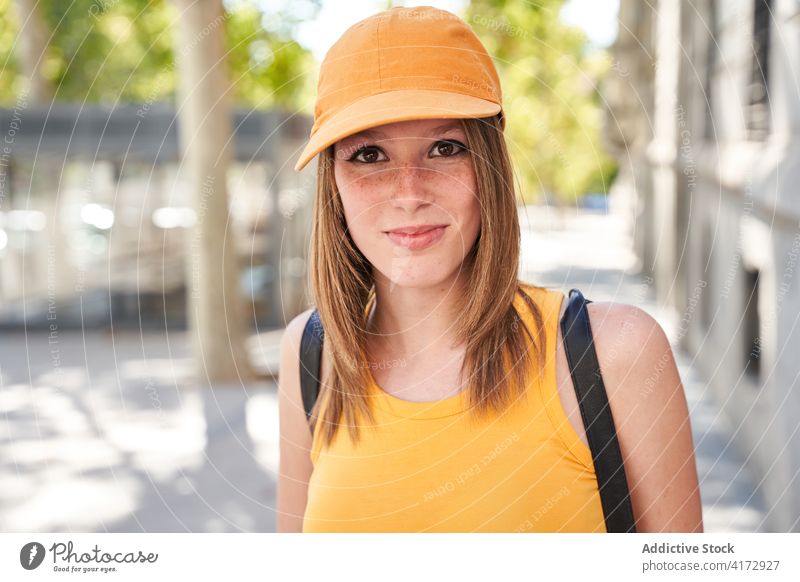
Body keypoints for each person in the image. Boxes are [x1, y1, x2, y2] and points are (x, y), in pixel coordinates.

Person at [277, 5, 703, 533]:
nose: (409, 192)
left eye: (445, 147)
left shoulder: (612, 353)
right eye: (369, 156)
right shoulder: (313, 354)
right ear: (332, 184)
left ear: (489, 168)